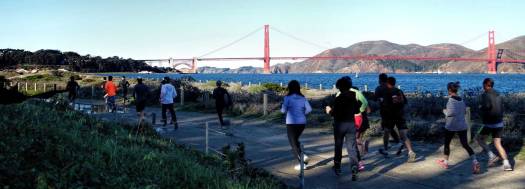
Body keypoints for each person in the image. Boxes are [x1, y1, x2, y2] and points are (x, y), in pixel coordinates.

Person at [436, 82, 480, 174]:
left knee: (447, 143)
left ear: (449, 90)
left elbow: (449, 113)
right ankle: (475, 161)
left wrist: (444, 111)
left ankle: (446, 162)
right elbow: (464, 112)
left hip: (451, 126)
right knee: (465, 145)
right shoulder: (461, 100)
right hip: (462, 126)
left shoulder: (450, 101)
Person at [325, 77, 360, 180]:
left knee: (338, 146)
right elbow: (357, 110)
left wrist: (329, 111)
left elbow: (334, 113)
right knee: (352, 148)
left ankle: (337, 167)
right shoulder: (353, 97)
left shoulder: (338, 99)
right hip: (351, 125)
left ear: (339, 87)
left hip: (340, 125)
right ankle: (354, 167)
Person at [476, 78, 512, 171]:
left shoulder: (485, 95)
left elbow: (487, 107)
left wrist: (480, 107)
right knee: (497, 143)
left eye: (483, 85)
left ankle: (491, 155)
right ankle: (507, 164)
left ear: (485, 85)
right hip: (499, 122)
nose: (482, 87)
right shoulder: (498, 94)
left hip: (489, 123)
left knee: (479, 139)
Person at [280, 80, 312, 171]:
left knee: (293, 143)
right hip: (302, 123)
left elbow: (283, 111)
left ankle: (302, 161)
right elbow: (309, 109)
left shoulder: (287, 98)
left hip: (291, 123)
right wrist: (302, 113)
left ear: (289, 88)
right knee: (295, 141)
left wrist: (283, 108)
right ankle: (303, 158)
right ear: (298, 88)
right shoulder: (303, 98)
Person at [383, 77, 417, 162]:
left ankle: (386, 150)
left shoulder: (387, 92)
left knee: (386, 131)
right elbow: (405, 102)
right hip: (400, 115)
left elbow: (385, 104)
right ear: (394, 83)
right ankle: (410, 151)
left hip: (390, 116)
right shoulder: (399, 91)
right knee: (404, 135)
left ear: (387, 83)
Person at [375, 73, 402, 157]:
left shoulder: (379, 88)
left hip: (385, 112)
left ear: (379, 80)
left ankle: (385, 149)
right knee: (389, 128)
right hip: (395, 112)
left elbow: (376, 98)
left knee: (386, 130)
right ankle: (398, 142)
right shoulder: (392, 88)